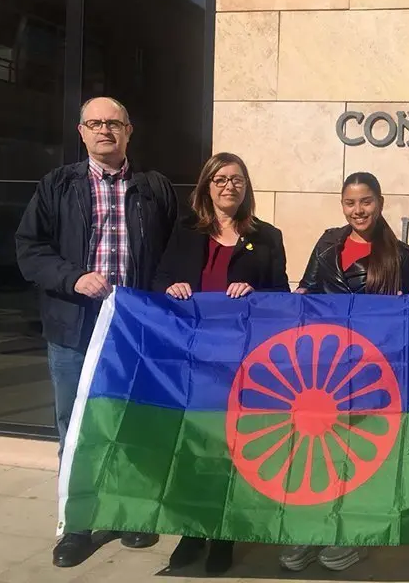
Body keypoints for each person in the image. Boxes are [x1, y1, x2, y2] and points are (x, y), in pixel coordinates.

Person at [15, 97, 177, 567]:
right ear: (81, 132)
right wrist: (72, 277)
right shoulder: (57, 185)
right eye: (95, 123)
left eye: (114, 123)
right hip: (74, 328)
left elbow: (172, 253)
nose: (105, 130)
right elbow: (29, 249)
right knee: (78, 427)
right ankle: (78, 524)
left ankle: (130, 512)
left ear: (129, 131)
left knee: (133, 421)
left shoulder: (154, 187)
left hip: (134, 331)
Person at [152, 151, 289, 574]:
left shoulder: (267, 236)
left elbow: (282, 296)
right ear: (206, 186)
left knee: (234, 448)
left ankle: (226, 533)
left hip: (243, 363)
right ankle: (192, 530)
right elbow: (158, 282)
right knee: (194, 446)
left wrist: (256, 291)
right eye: (221, 179)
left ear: (246, 189)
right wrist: (172, 286)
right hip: (194, 361)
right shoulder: (186, 231)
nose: (229, 186)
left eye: (238, 180)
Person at [278, 171, 409, 572]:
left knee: (357, 454)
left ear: (380, 202)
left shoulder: (402, 255)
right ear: (343, 205)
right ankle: (311, 530)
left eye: (366, 201)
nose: (359, 210)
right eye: (351, 202)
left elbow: (402, 318)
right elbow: (306, 290)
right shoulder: (326, 244)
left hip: (369, 371)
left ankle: (351, 533)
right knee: (315, 451)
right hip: (322, 369)